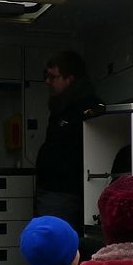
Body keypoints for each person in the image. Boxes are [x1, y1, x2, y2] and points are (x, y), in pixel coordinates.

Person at [34, 50, 101, 232]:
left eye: (53, 76)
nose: (47, 81)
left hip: (64, 192)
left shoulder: (85, 109)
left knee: (51, 242)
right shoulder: (61, 107)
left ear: (70, 79)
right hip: (55, 190)